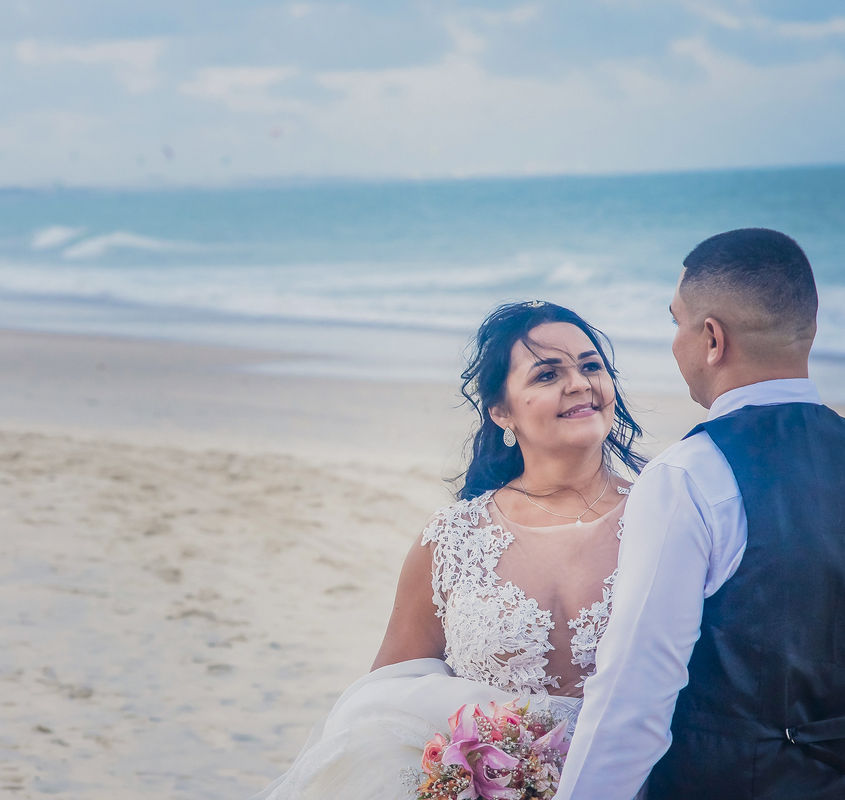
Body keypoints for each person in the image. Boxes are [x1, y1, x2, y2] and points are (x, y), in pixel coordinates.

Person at [254, 301, 647, 799]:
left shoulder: (664, 518)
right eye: (548, 374)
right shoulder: (453, 540)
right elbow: (388, 700)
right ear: (502, 411)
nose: (580, 383)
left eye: (592, 366)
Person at [556, 228, 845, 799]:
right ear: (809, 329)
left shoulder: (689, 475)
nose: (675, 342)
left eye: (675, 322)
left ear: (712, 338)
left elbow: (636, 693)